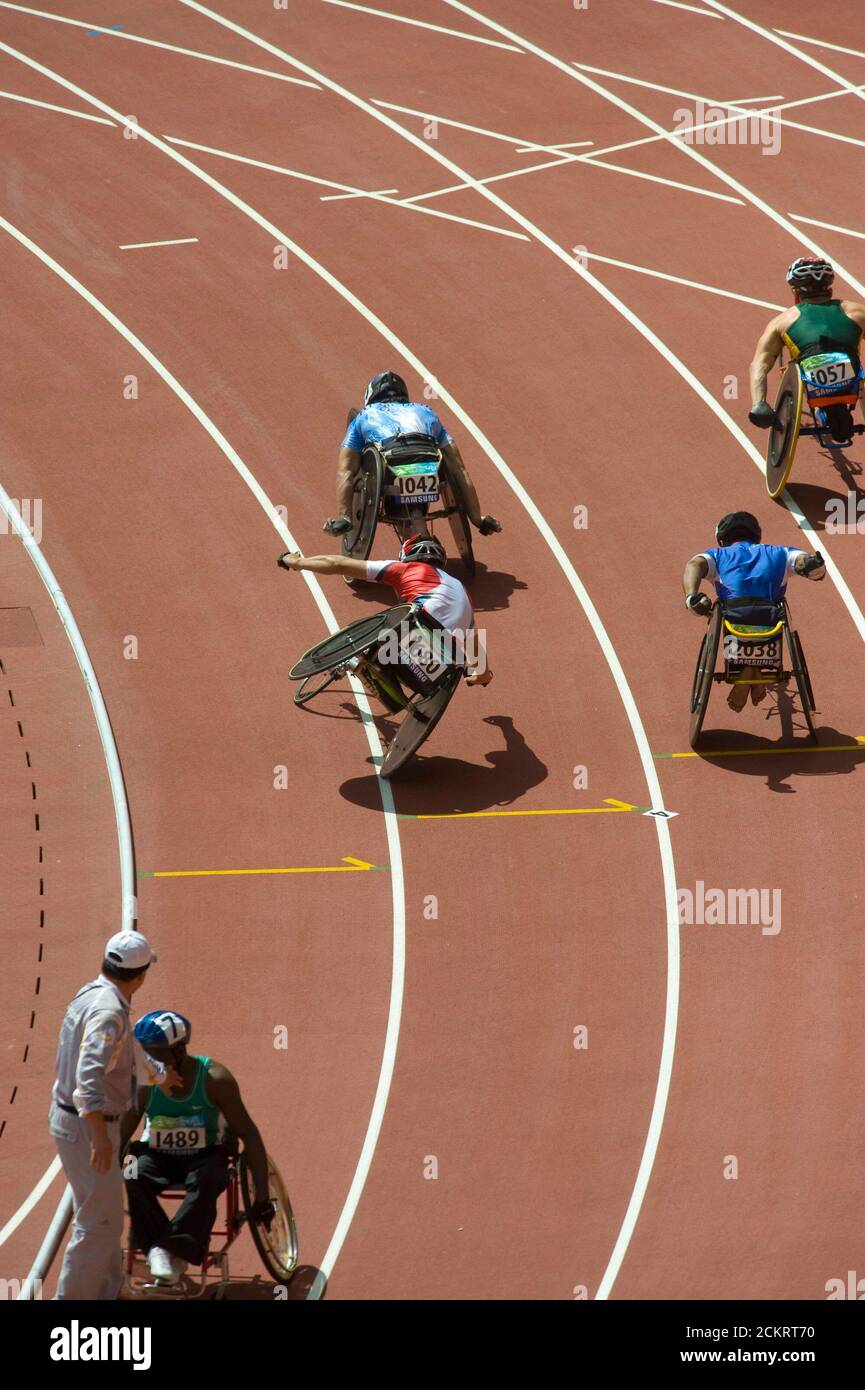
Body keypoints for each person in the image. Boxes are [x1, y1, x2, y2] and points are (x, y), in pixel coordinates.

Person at [50, 929, 172, 1300]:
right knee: (97, 1223)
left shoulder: (94, 994)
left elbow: (128, 1046)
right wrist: (100, 1136)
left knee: (105, 1217)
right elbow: (87, 1078)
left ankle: (110, 1291)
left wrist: (161, 1076)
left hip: (76, 1120)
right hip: (89, 1125)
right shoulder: (108, 1011)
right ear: (140, 975)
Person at [121, 1010, 274, 1287]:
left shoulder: (215, 1079)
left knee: (209, 1178)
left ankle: (167, 1249)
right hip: (157, 1154)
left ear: (180, 1050)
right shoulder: (145, 1080)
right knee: (132, 1173)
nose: (150, 1061)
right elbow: (123, 1131)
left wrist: (262, 1197)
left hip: (205, 1155)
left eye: (158, 1053)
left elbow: (248, 1134)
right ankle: (165, 1251)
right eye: (145, 1053)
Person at [278, 532, 493, 695]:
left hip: (407, 643)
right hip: (439, 672)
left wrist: (296, 562)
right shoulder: (462, 590)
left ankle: (361, 661)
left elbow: (337, 563)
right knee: (414, 628)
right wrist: (481, 675)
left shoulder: (406, 569)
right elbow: (475, 645)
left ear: (407, 556)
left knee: (363, 628)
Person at [323, 370, 501, 539]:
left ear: (370, 397)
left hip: (390, 472)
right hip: (431, 470)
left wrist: (345, 517)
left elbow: (345, 471)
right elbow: (459, 469)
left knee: (356, 469)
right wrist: (477, 519)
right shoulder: (426, 411)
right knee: (448, 468)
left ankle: (405, 531)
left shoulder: (362, 417)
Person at [682, 511, 825, 712]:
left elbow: (694, 564)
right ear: (756, 535)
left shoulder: (718, 555)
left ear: (722, 538)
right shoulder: (779, 553)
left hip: (734, 617)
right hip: (770, 618)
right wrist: (813, 566)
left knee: (722, 612)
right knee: (775, 610)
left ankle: (748, 671)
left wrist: (691, 596)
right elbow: (805, 561)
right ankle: (754, 670)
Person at [749, 257, 865, 431]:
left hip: (811, 382)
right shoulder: (857, 311)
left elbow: (760, 363)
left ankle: (818, 406)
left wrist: (759, 403)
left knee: (800, 363)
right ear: (830, 289)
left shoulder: (782, 321)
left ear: (796, 292)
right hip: (852, 379)